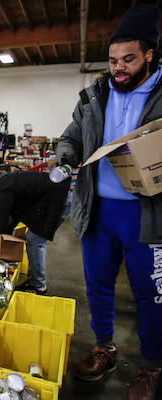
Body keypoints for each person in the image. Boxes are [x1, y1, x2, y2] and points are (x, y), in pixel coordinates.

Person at [55, 5, 162, 399]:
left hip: (147, 215)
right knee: (97, 286)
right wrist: (65, 157)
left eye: (129, 59)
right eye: (113, 60)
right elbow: (70, 137)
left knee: (150, 294)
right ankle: (105, 349)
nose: (118, 68)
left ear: (150, 54)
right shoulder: (96, 94)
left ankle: (151, 366)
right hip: (98, 210)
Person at [0, 172, 72, 294]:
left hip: (57, 201)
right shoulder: (3, 181)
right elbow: (12, 217)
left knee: (35, 240)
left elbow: (2, 222)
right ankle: (34, 275)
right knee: (33, 237)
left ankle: (38, 286)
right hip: (56, 196)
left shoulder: (1, 193)